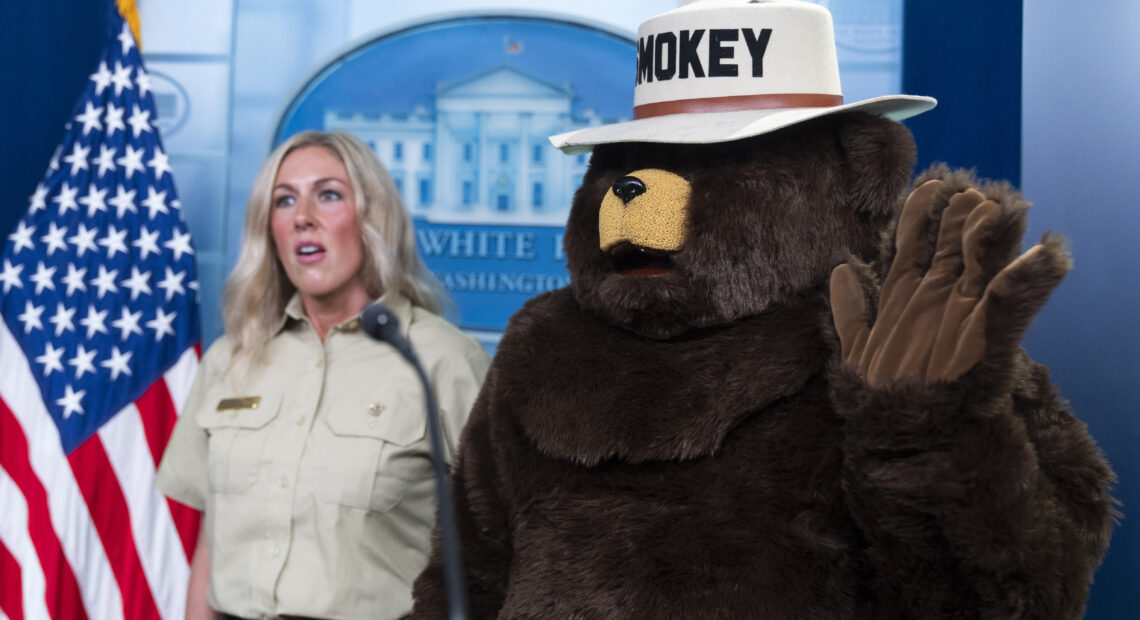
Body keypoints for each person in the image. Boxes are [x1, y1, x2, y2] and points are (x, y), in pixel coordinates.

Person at [157, 130, 490, 620]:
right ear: (268, 228)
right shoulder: (231, 358)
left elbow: (500, 543)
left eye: (328, 195)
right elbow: (212, 541)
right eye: (284, 201)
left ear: (372, 216)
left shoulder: (445, 362)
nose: (302, 218)